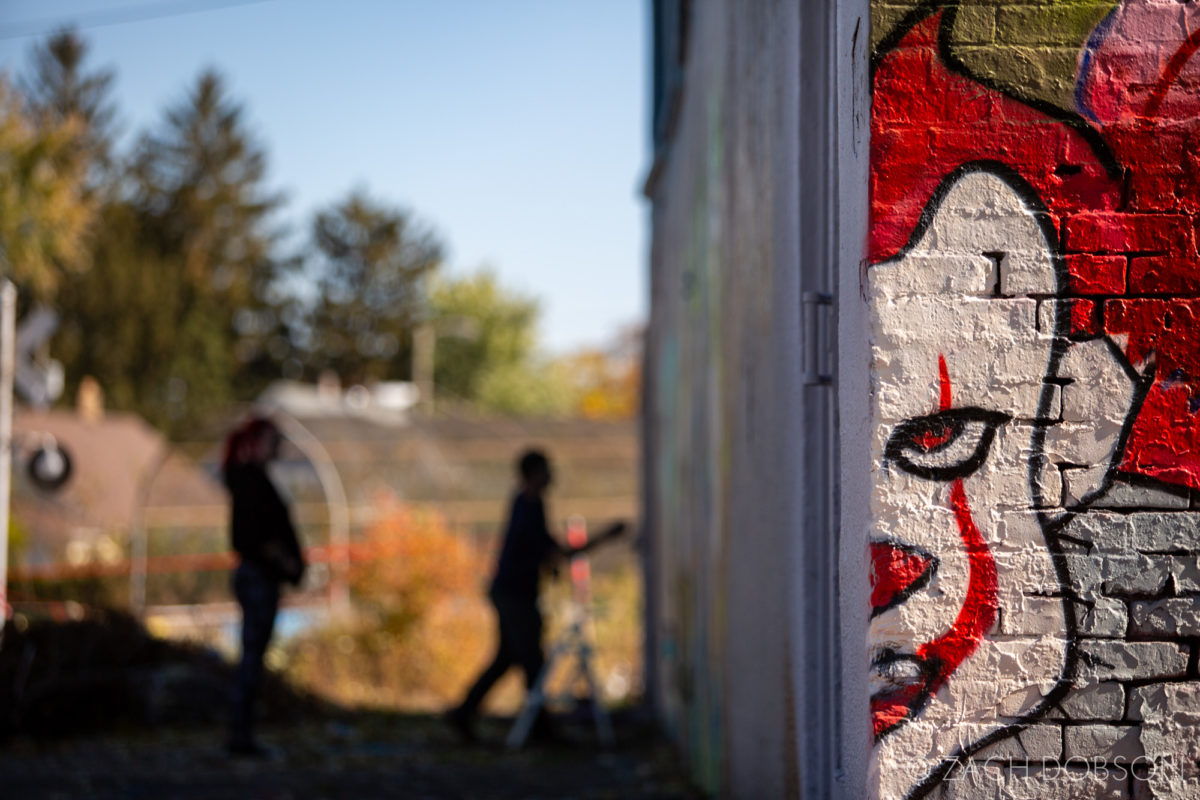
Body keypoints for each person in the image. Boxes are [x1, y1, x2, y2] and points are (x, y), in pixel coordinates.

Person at [447, 448, 624, 742]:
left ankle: (466, 714)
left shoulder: (528, 503)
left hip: (512, 592)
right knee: (531, 661)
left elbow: (546, 553)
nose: (551, 476)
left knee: (509, 657)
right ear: (533, 474)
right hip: (515, 595)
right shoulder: (528, 505)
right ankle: (538, 729)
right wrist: (603, 538)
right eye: (545, 470)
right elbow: (555, 554)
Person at [222, 416, 305, 757]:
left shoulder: (252, 481)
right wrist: (283, 561)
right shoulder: (251, 483)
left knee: (252, 657)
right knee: (252, 658)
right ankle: (240, 735)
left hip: (261, 577)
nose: (277, 448)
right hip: (259, 578)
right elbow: (253, 536)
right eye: (272, 441)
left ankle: (242, 732)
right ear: (256, 442)